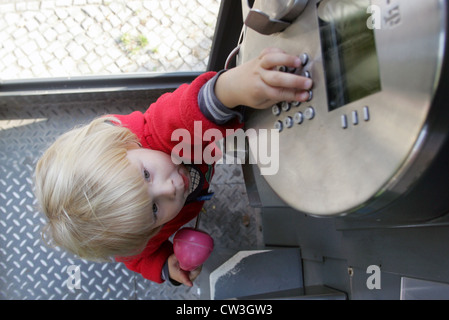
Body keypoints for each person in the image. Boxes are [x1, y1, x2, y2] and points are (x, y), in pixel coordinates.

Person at [34, 48, 314, 287]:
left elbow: (192, 108)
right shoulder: (137, 231)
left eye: (146, 175)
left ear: (128, 146)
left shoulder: (162, 130)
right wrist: (166, 267)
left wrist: (231, 88)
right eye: (155, 209)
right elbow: (139, 259)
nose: (171, 187)